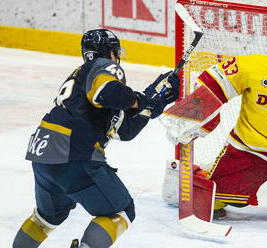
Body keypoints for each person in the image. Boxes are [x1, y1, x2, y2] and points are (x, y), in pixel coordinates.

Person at [12, 28, 180, 248]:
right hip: (73, 152)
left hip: (43, 154)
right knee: (121, 211)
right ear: (110, 53)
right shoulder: (103, 67)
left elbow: (124, 130)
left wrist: (150, 104)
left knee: (46, 218)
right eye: (115, 52)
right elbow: (109, 92)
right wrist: (140, 100)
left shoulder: (81, 79)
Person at [162, 34, 267, 220]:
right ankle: (190, 176)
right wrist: (193, 114)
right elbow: (214, 80)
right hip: (249, 152)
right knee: (216, 200)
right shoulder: (255, 67)